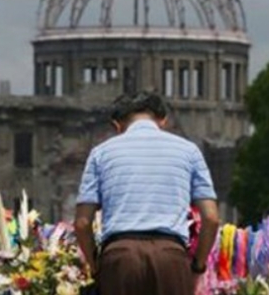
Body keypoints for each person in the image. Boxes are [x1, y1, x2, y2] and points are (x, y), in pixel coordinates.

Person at [74, 91, 220, 295]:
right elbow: (211, 218)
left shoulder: (101, 154)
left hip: (120, 256)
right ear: (163, 121)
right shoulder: (189, 151)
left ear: (117, 126)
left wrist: (95, 265)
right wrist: (198, 265)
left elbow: (82, 223)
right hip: (170, 257)